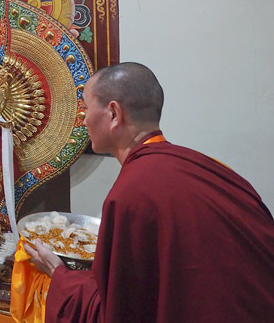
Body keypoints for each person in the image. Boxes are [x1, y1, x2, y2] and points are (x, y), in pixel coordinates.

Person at [24, 62, 274, 322]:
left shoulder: (131, 193)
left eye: (86, 107)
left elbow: (119, 311)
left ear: (114, 114)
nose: (83, 118)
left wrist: (60, 275)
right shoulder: (209, 167)